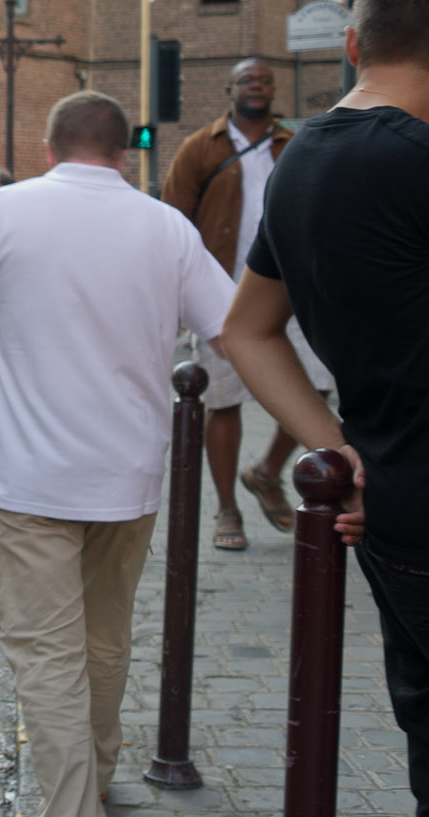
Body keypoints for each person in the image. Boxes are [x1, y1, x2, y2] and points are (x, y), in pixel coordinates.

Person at [0, 90, 235, 817]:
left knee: (46, 649)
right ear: (123, 153)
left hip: (31, 475)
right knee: (104, 636)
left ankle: (72, 806)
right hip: (129, 473)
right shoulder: (167, 228)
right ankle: (94, 774)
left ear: (47, 149)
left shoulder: (6, 210)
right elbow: (233, 327)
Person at [223, 0, 425, 804]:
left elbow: (247, 329)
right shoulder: (416, 158)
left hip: (388, 506)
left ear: (350, 46)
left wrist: (335, 446)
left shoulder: (300, 157)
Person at [161, 57, 334, 552]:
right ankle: (227, 510)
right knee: (223, 400)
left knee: (316, 388)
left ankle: (266, 471)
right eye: (247, 80)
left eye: (265, 80)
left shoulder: (296, 144)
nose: (257, 86)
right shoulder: (200, 148)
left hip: (294, 290)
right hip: (223, 295)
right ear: (229, 88)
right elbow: (173, 222)